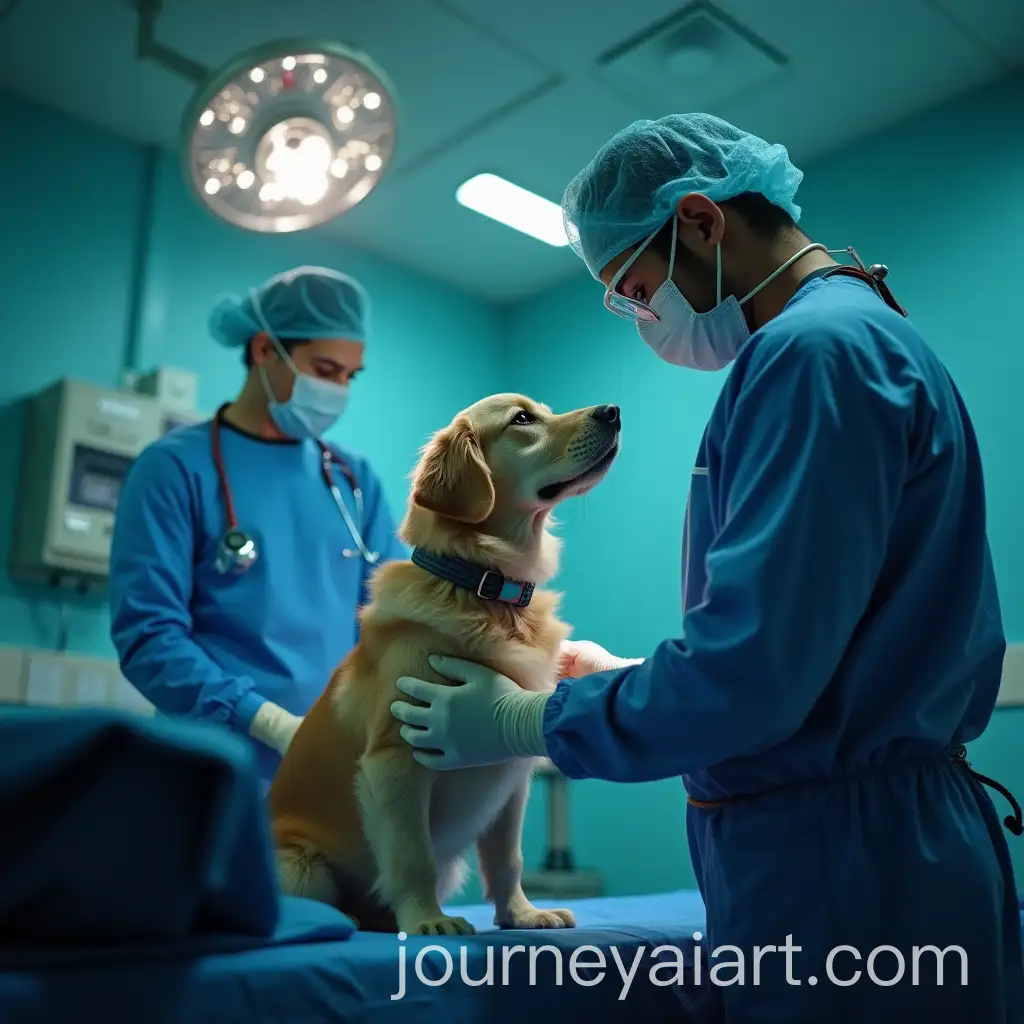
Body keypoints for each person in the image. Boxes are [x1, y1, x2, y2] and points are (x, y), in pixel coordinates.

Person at [389, 115, 1024, 1019]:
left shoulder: (813, 355)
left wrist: (530, 720)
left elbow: (753, 677)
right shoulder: (855, 336)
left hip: (845, 867)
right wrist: (633, 681)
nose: (646, 319)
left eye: (638, 290)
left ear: (699, 221)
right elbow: (822, 650)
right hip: (864, 844)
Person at [110, 266, 406, 786]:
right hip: (213, 768)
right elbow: (150, 638)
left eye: (349, 376)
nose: (338, 389)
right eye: (325, 370)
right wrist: (264, 721)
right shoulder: (174, 469)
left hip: (336, 771)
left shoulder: (353, 479)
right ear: (265, 348)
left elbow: (393, 620)